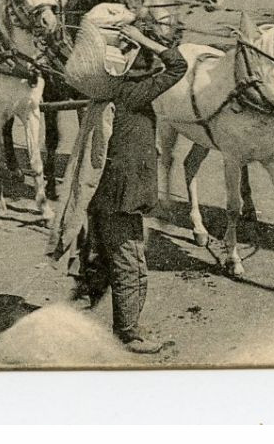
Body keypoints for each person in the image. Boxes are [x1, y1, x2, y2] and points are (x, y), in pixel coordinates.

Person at [88, 43, 190, 354]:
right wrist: (146, 39)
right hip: (123, 197)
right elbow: (178, 66)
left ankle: (113, 323)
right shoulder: (132, 93)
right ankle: (128, 334)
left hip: (109, 195)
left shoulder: (104, 91)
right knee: (131, 266)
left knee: (112, 263)